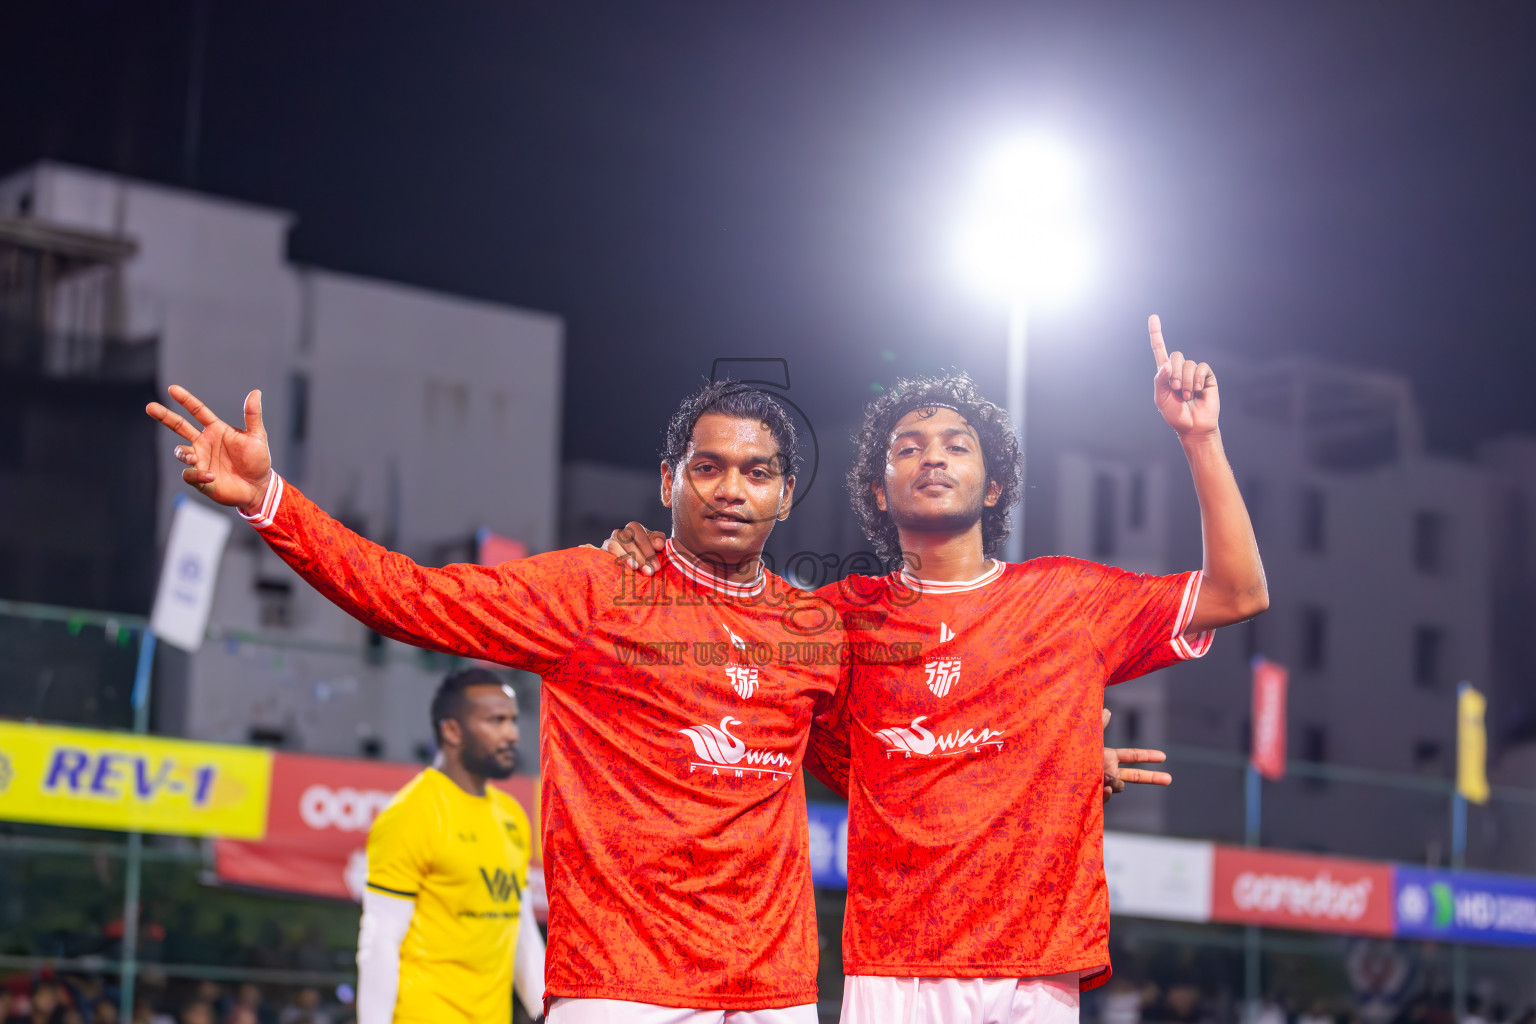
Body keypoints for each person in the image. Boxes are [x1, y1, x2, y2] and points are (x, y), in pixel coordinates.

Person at [605, 317, 1267, 1023]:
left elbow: (1239, 593)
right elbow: (723, 656)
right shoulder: (835, 620)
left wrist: (1199, 438)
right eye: (908, 448)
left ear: (992, 486)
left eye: (957, 445)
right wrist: (654, 553)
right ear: (880, 493)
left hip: (1037, 967)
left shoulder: (1066, 597)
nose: (933, 458)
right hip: (894, 965)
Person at [147, 380, 843, 1023]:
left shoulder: (815, 631)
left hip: (773, 994)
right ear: (668, 482)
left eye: (757, 473)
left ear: (785, 495)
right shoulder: (594, 591)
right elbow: (409, 598)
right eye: (707, 466)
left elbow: (897, 764)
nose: (730, 490)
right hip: (622, 988)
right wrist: (270, 500)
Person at [354, 668, 542, 1023]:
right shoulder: (411, 813)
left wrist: (544, 1012)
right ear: (452, 730)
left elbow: (519, 927)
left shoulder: (512, 816)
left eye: (513, 721)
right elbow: (379, 941)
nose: (512, 734)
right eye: (496, 721)